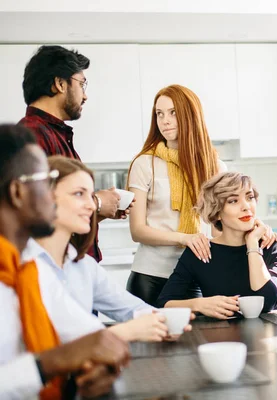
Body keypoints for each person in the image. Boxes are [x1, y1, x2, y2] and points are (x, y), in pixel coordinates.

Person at [0, 124, 130, 399]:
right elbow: (66, 354)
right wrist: (49, 364)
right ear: (18, 193)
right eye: (46, 183)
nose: (53, 198)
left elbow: (92, 337)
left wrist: (100, 365)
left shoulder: (29, 271)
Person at [126, 84, 277, 306]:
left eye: (173, 113)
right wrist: (185, 238)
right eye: (159, 114)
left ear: (190, 116)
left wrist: (255, 226)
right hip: (149, 277)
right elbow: (137, 231)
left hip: (197, 274)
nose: (165, 121)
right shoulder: (144, 164)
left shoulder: (215, 167)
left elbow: (222, 220)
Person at [23, 155, 188, 342]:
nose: (91, 205)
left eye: (91, 195)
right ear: (44, 199)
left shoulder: (84, 266)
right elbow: (60, 339)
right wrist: (126, 332)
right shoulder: (21, 265)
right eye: (79, 194)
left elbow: (130, 309)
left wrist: (167, 320)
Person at [18, 45, 126, 262]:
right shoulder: (32, 134)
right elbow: (38, 208)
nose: (85, 96)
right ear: (60, 84)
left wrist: (99, 211)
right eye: (82, 84)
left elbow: (62, 215)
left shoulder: (55, 134)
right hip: (58, 269)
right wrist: (96, 202)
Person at [156, 172, 277, 318]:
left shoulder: (273, 245)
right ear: (217, 212)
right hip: (219, 336)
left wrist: (252, 246)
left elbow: (268, 302)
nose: (246, 207)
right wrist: (200, 305)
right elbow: (164, 303)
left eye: (250, 197)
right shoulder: (201, 250)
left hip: (269, 336)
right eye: (233, 201)